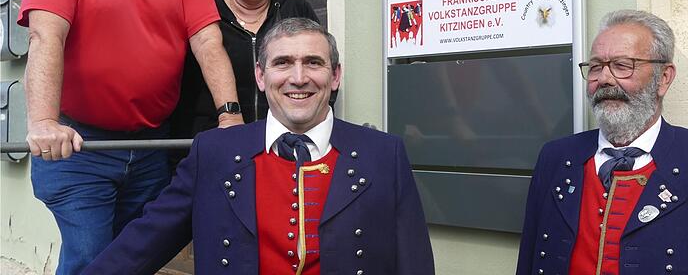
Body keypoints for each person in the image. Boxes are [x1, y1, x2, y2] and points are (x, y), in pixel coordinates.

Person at [17, 0, 242, 274]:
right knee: (92, 259)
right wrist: (43, 122)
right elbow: (46, 36)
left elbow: (206, 39)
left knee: (135, 259)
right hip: (79, 144)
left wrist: (229, 114)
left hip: (150, 143)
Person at [83, 18, 435, 274]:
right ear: (261, 77)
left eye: (314, 63)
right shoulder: (215, 153)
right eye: (282, 63)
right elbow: (144, 242)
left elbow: (414, 263)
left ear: (335, 75)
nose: (299, 78)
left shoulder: (383, 154)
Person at [516, 10, 688, 274]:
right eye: (596, 67)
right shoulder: (555, 157)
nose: (604, 79)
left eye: (622, 65)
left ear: (663, 78)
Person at [171, 0, 318, 140]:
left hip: (285, 144)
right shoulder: (204, 11)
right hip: (215, 142)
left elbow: (321, 68)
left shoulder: (296, 10)